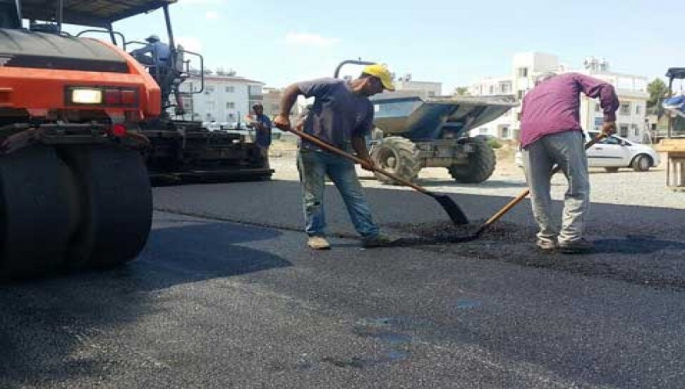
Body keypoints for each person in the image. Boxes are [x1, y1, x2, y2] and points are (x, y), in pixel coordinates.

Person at [273, 64, 398, 250]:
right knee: (313, 196)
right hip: (313, 150)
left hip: (342, 154)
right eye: (380, 87)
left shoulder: (366, 107)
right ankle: (316, 234)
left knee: (355, 196)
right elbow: (294, 88)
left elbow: (357, 135)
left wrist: (365, 158)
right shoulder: (331, 85)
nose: (379, 92)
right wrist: (283, 115)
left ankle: (370, 234)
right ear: (370, 80)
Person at [520, 72, 619, 254]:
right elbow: (606, 88)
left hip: (529, 138)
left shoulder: (529, 94)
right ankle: (570, 238)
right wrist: (609, 118)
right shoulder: (570, 78)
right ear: (554, 78)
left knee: (538, 191)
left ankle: (547, 238)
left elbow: (523, 117)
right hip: (563, 130)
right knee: (578, 185)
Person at [246, 103, 273, 168]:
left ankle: (266, 174)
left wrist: (258, 125)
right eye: (254, 109)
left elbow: (265, 131)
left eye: (257, 109)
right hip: (258, 142)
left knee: (264, 159)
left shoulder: (265, 118)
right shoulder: (258, 118)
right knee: (259, 159)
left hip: (264, 143)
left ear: (261, 109)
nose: (255, 111)